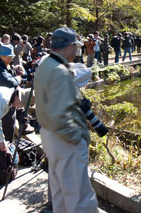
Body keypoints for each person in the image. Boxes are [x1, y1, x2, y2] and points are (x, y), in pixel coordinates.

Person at [34, 27, 99, 213]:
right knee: (79, 196)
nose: (77, 51)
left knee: (60, 192)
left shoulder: (45, 64)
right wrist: (80, 138)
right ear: (70, 46)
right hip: (65, 140)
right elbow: (63, 115)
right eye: (76, 47)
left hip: (49, 135)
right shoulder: (60, 72)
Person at [0, 44, 30, 141]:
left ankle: (24, 127)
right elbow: (9, 82)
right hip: (4, 102)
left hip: (10, 100)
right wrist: (18, 78)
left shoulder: (5, 65)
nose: (11, 59)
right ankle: (5, 149)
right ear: (2, 56)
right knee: (8, 128)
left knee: (11, 124)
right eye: (10, 57)